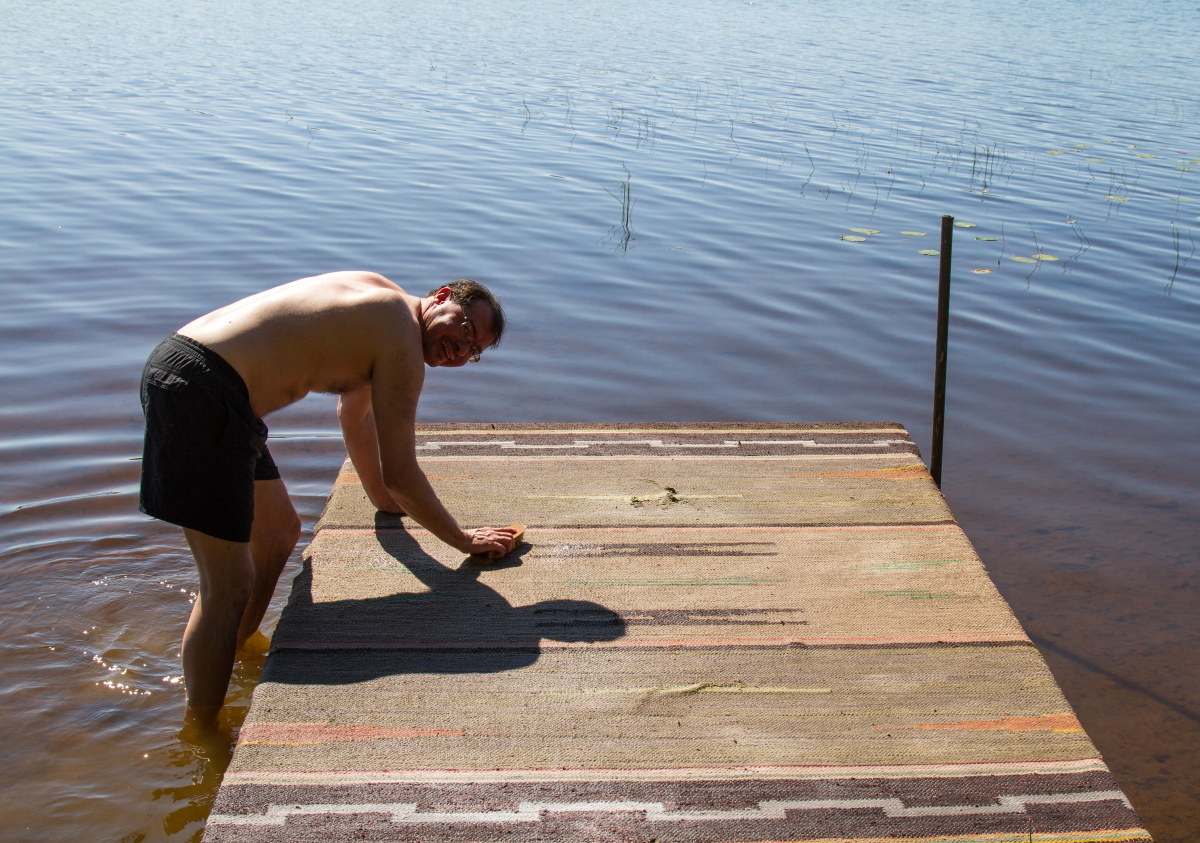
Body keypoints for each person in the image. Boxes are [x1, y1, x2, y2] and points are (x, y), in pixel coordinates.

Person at [138, 270, 519, 723]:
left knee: (279, 531)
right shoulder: (401, 342)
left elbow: (354, 415)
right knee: (228, 586)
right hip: (205, 391)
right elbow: (402, 471)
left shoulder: (381, 304)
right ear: (441, 298)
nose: (462, 348)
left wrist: (381, 498)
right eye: (466, 329)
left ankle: (236, 645)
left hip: (196, 375)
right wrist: (463, 540)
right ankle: (201, 731)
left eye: (473, 352)